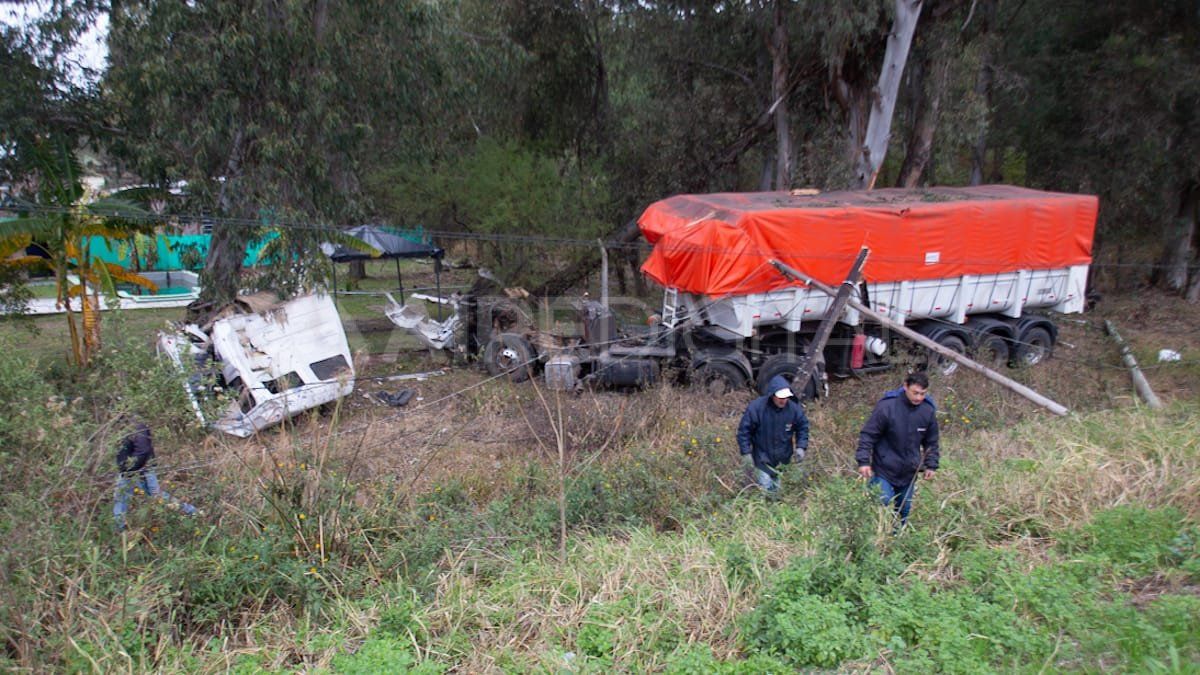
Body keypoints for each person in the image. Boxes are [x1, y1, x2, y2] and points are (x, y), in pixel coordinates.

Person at [855, 371, 939, 528]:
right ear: (905, 386)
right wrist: (863, 461)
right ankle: (873, 535)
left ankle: (896, 539)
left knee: (904, 509)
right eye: (915, 393)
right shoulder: (887, 407)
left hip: (909, 471)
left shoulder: (927, 411)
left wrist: (931, 464)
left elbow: (931, 441)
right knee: (882, 501)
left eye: (923, 394)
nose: (919, 398)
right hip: (884, 468)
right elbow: (868, 435)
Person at [113, 418, 198, 530]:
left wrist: (130, 468)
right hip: (129, 470)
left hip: (142, 469)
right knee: (122, 497)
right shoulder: (122, 426)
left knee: (156, 495)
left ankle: (192, 511)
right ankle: (120, 528)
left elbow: (143, 451)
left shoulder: (137, 426)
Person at [737, 374, 810, 495]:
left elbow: (803, 427)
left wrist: (801, 447)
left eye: (786, 397)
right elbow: (744, 431)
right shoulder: (756, 408)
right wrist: (746, 453)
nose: (783, 400)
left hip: (783, 462)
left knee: (778, 494)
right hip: (762, 460)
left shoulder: (794, 409)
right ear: (772, 395)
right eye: (780, 397)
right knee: (765, 492)